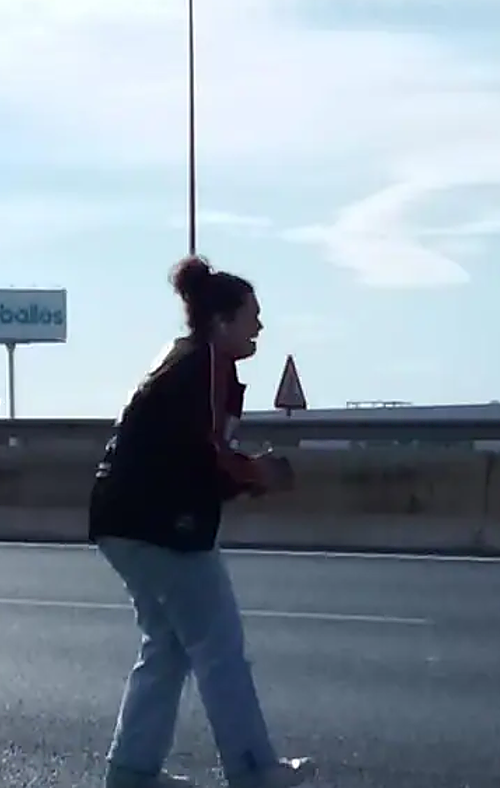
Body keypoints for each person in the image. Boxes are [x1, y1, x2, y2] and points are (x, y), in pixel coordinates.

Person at [88, 256, 315, 788]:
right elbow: (207, 451)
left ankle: (132, 772)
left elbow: (187, 453)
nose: (259, 326)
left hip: (120, 516)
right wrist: (258, 474)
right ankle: (253, 769)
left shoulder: (180, 359)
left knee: (166, 647)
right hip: (162, 523)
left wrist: (245, 477)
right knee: (219, 647)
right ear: (221, 321)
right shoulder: (208, 364)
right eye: (251, 316)